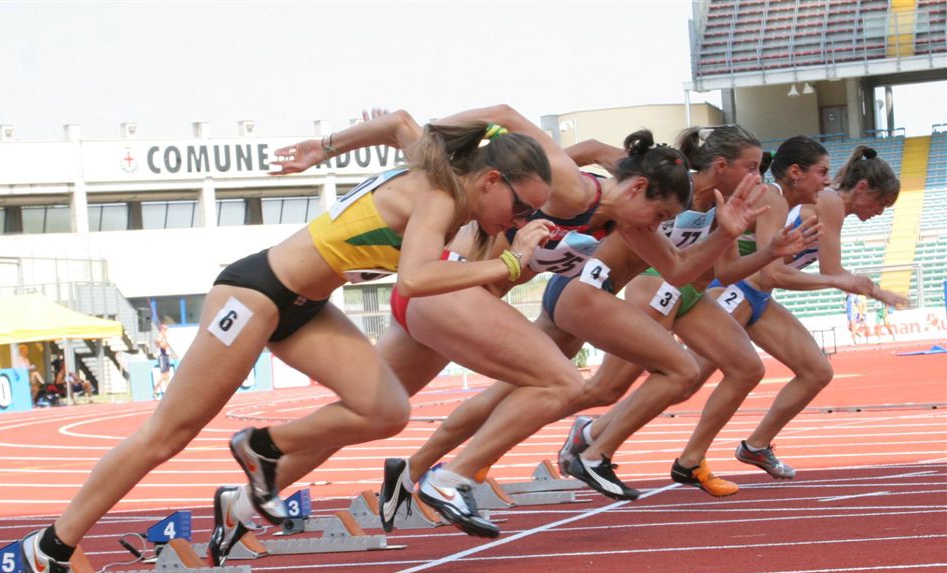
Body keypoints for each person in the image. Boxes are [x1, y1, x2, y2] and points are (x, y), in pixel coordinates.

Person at [19, 116, 555, 573]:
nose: (519, 220)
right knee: (166, 436)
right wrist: (512, 263)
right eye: (520, 207)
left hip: (306, 307)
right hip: (255, 295)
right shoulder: (438, 195)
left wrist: (324, 149)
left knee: (386, 410)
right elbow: (415, 279)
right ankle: (50, 548)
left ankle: (264, 448)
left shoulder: (438, 172)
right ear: (490, 179)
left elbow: (396, 122)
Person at [213, 104, 716, 545]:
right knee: (561, 381)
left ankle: (239, 506)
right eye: (658, 214)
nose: (656, 227)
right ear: (639, 188)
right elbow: (494, 115)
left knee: (364, 415)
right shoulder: (567, 185)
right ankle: (450, 479)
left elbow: (677, 269)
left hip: (444, 300)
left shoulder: (624, 220)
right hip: (443, 285)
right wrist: (345, 148)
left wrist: (731, 229)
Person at [410, 124, 813, 506]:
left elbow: (700, 271)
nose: (758, 177)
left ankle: (424, 468)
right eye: (751, 167)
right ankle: (579, 452)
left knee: (560, 390)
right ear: (721, 165)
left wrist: (759, 248)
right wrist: (531, 190)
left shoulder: (694, 212)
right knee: (647, 376)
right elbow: (582, 149)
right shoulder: (627, 184)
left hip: (615, 286)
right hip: (582, 288)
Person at [699, 140, 906, 480]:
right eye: (882, 203)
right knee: (691, 376)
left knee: (816, 371)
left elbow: (832, 275)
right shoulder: (830, 202)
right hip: (736, 289)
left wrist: (876, 291)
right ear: (862, 188)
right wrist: (866, 288)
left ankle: (755, 446)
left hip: (758, 295)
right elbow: (831, 273)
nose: (880, 213)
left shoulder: (826, 204)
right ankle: (681, 456)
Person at [152, 323, 174, 398]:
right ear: (161, 330)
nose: (166, 331)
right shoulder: (160, 337)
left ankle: (168, 393)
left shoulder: (164, 337)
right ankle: (155, 391)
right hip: (162, 357)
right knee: (163, 375)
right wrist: (164, 342)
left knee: (167, 376)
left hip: (166, 356)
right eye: (165, 329)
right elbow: (162, 345)